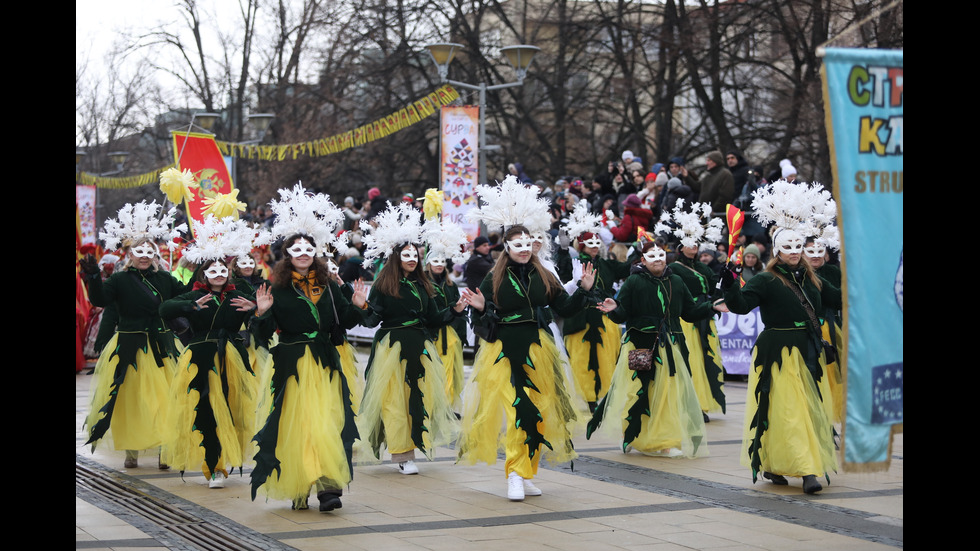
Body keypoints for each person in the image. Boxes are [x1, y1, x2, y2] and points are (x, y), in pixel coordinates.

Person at [456, 224, 597, 501]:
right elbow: (483, 321)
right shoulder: (494, 277)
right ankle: (514, 474)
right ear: (507, 247)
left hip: (539, 350)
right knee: (517, 412)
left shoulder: (543, 274)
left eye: (527, 243)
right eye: (517, 244)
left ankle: (525, 471)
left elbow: (564, 307)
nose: (523, 249)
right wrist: (484, 308)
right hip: (506, 352)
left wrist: (582, 289)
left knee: (539, 412)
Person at [720, 186, 840, 495]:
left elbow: (838, 299)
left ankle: (778, 464)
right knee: (787, 410)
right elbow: (740, 306)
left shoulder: (813, 278)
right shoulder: (765, 279)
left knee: (809, 410)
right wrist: (730, 285)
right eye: (788, 247)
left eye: (799, 246)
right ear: (777, 250)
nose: (795, 251)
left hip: (808, 350)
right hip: (778, 352)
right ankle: (808, 470)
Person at [250, 233, 370, 512]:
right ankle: (300, 484)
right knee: (298, 425)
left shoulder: (328, 285)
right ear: (287, 254)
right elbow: (263, 334)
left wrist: (357, 304)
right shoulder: (276, 287)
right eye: (296, 249)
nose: (303, 254)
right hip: (292, 365)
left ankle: (328, 488)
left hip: (325, 361)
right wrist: (263, 312)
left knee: (329, 422)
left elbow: (345, 322)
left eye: (308, 249)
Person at [588, 242, 728, 457]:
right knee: (640, 392)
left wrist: (710, 306)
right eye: (652, 256)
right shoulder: (634, 281)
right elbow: (622, 312)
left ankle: (665, 441)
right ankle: (632, 434)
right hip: (641, 345)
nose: (658, 259)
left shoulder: (676, 281)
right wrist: (614, 310)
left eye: (661, 255)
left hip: (671, 345)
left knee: (668, 394)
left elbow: (689, 312)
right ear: (643, 260)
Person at [81, 231, 189, 469]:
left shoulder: (165, 278)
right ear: (130, 254)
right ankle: (132, 450)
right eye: (140, 252)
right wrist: (93, 277)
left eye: (149, 252)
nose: (145, 257)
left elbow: (188, 294)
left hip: (161, 346)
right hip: (129, 348)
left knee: (164, 400)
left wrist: (205, 265)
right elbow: (100, 300)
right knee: (131, 401)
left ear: (155, 255)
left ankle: (164, 448)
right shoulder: (119, 280)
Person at [357, 239, 465, 474]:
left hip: (419, 345)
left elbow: (433, 318)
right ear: (396, 258)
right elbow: (372, 320)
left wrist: (455, 310)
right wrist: (363, 306)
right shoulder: (383, 285)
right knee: (394, 402)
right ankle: (403, 455)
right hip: (392, 347)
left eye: (415, 255)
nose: (412, 259)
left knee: (419, 400)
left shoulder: (424, 285)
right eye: (406, 255)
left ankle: (415, 443)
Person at [161, 257, 259, 488]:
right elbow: (165, 308)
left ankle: (224, 459)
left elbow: (262, 318)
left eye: (222, 270)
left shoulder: (238, 294)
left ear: (229, 272)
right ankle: (214, 466)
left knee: (232, 409)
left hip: (231, 357)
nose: (218, 274)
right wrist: (190, 307)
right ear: (203, 274)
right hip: (200, 357)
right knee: (205, 409)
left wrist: (256, 308)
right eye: (212, 270)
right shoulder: (195, 294)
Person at [556, 207, 635, 413]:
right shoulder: (575, 263)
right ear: (581, 246)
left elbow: (627, 268)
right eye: (589, 243)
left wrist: (641, 249)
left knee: (606, 356)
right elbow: (562, 271)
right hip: (580, 319)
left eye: (596, 242)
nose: (593, 247)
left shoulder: (607, 265)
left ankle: (603, 394)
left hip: (603, 318)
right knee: (581, 358)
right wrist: (563, 250)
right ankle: (589, 397)